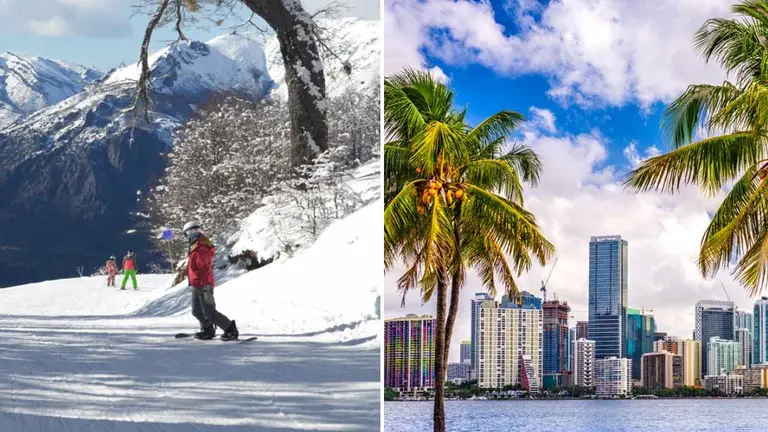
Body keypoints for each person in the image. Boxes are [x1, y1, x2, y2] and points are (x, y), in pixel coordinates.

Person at [184, 220, 238, 340]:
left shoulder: (201, 247)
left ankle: (230, 329)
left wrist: (206, 287)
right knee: (197, 311)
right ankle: (208, 330)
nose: (192, 234)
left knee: (209, 312)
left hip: (204, 284)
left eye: (195, 231)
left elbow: (204, 268)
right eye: (189, 233)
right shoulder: (195, 246)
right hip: (197, 284)